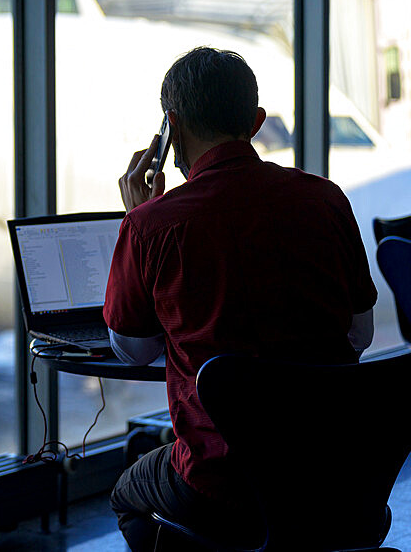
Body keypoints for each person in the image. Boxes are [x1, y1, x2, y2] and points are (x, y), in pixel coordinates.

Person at [103, 46, 377, 551]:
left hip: (220, 484)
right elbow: (360, 334)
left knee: (126, 493)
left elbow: (133, 349)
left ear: (171, 128)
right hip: (335, 474)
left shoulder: (153, 224)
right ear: (255, 122)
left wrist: (138, 222)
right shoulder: (326, 199)